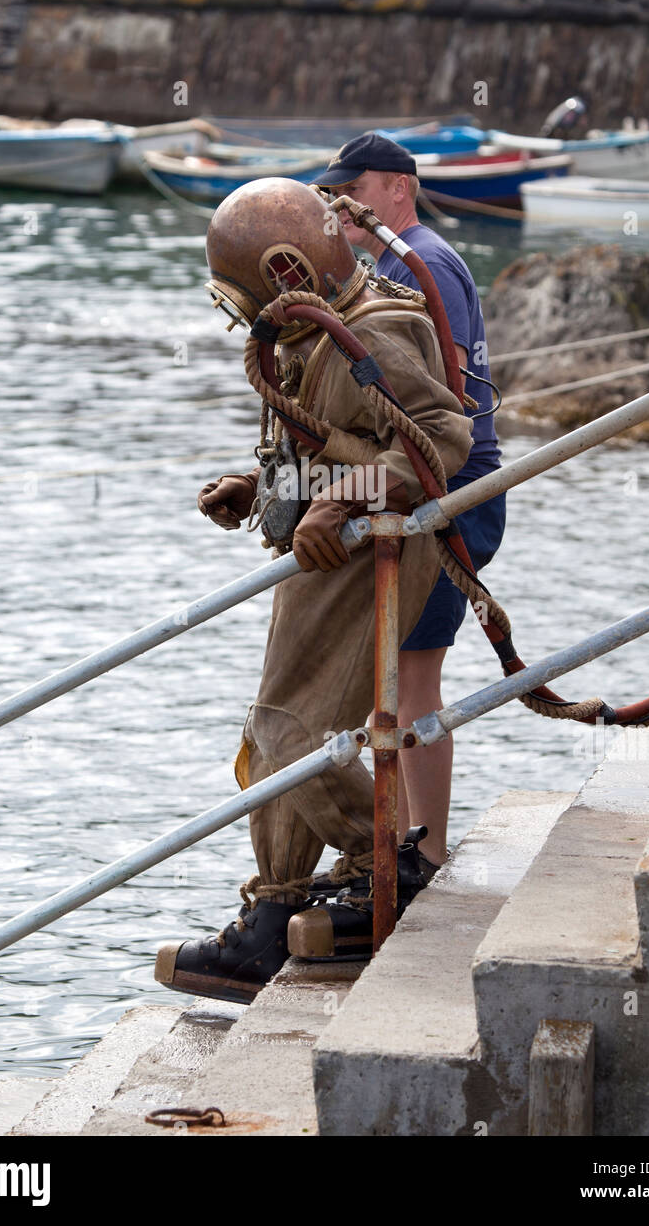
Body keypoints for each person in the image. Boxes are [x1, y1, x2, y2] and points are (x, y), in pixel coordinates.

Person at [155, 177, 474, 1003]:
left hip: (370, 555)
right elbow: (324, 442)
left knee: (291, 730)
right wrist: (259, 489)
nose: (243, 316)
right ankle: (280, 903)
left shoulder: (380, 331)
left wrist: (352, 495)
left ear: (288, 270)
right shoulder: (309, 333)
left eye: (248, 296)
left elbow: (441, 442)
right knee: (278, 730)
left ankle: (390, 864)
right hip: (325, 553)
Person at [312, 133, 505, 869]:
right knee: (390, 669)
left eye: (349, 191)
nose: (338, 206)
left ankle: (425, 849)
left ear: (398, 188)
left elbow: (441, 399)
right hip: (422, 485)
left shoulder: (428, 264)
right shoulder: (390, 264)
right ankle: (400, 839)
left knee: (412, 670)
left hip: (453, 491)